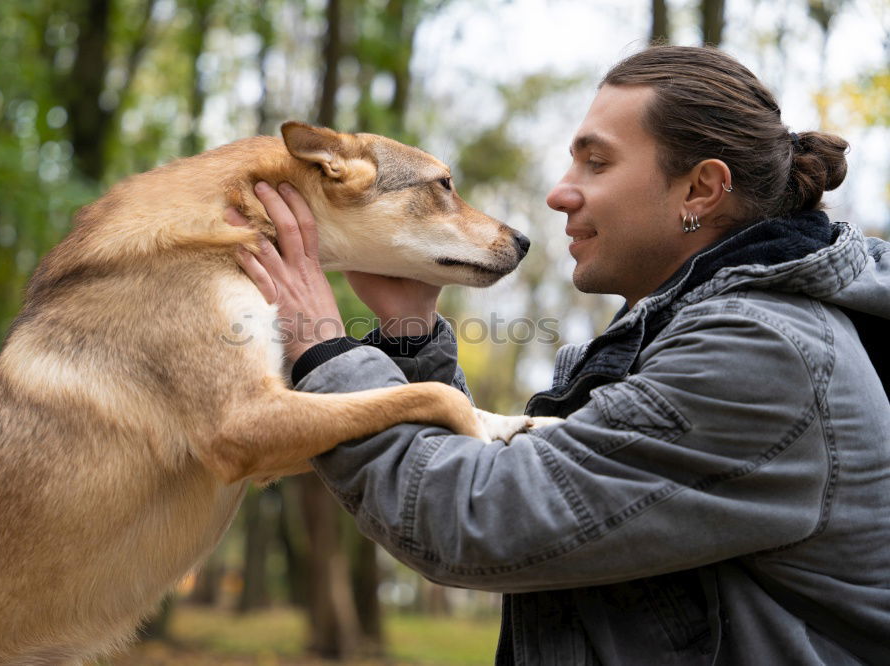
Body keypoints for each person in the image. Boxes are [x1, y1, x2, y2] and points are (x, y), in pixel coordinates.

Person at [226, 45, 890, 665]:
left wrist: (322, 346)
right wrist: (409, 333)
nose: (558, 192)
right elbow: (517, 474)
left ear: (700, 190)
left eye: (595, 163)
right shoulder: (685, 329)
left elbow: (477, 516)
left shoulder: (761, 354)